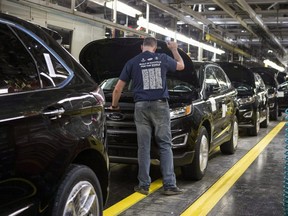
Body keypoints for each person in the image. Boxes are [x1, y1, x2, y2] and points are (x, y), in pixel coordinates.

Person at [110, 36, 185, 196]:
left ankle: (143, 186)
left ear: (141, 48)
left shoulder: (132, 62)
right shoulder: (162, 58)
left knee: (144, 147)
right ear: (155, 48)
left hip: (141, 106)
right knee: (165, 144)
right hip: (160, 105)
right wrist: (173, 49)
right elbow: (181, 66)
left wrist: (114, 106)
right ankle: (170, 185)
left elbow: (117, 89)